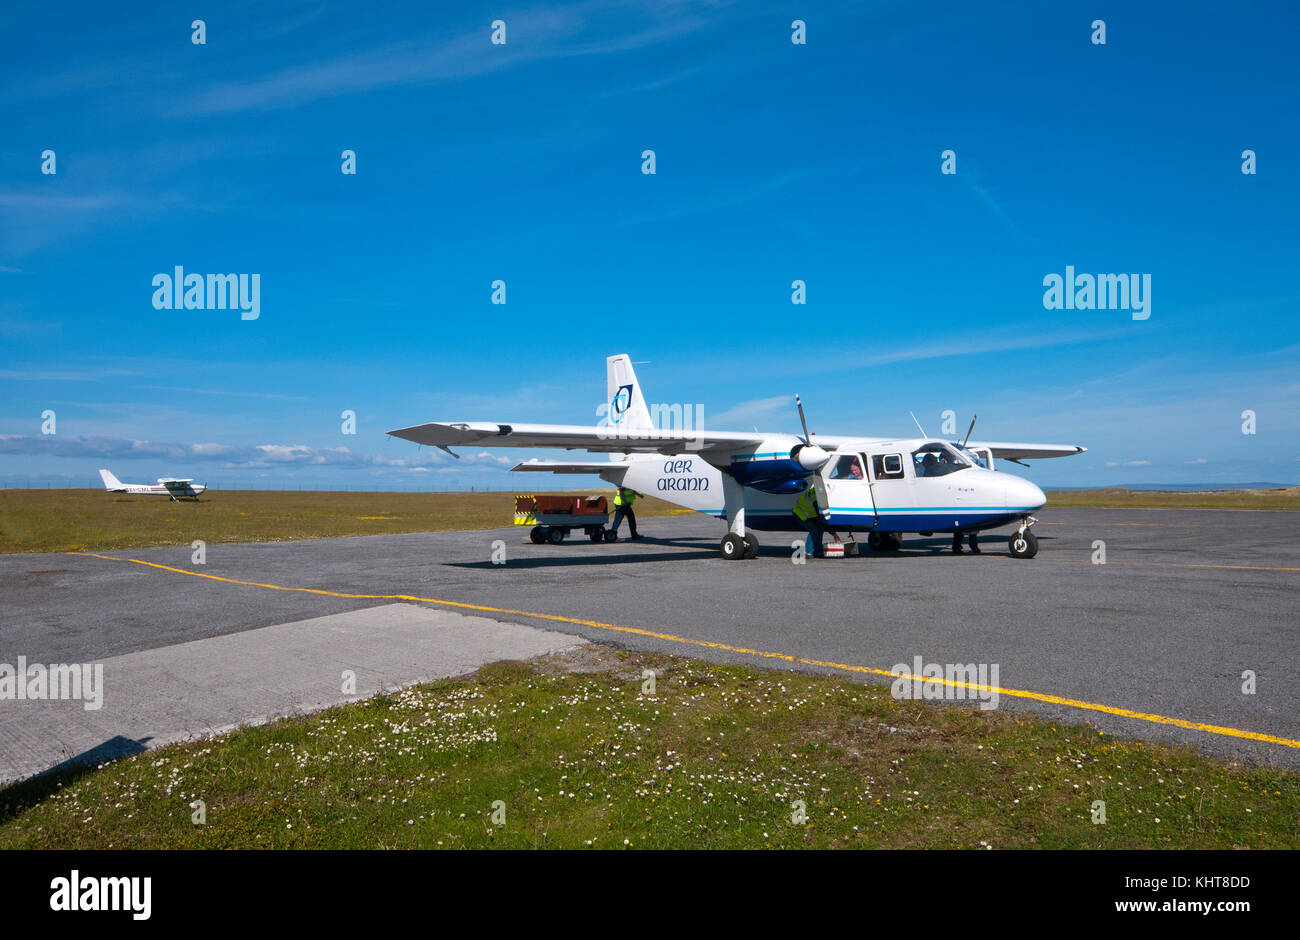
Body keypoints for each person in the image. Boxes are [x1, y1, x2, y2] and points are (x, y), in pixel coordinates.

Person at [792, 482, 833, 557]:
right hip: (800, 512)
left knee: (819, 529)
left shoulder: (818, 491)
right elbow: (822, 518)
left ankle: (818, 552)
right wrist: (834, 534)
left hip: (808, 513)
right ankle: (808, 552)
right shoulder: (817, 499)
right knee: (814, 530)